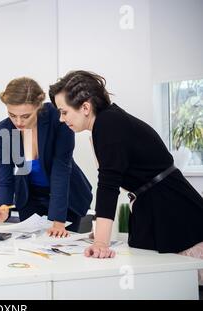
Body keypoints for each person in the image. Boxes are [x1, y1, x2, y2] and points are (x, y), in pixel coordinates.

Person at [49, 70, 203, 268]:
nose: (61, 119)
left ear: (85, 107)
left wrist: (101, 243)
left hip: (172, 208)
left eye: (64, 112)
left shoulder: (108, 124)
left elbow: (108, 185)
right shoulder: (106, 122)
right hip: (152, 205)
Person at [0, 77, 93, 237]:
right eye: (12, 115)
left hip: (65, 198)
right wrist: (3, 207)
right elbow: (6, 175)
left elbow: (61, 170)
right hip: (31, 198)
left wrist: (58, 221)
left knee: (62, 250)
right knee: (31, 252)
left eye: (25, 116)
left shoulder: (58, 118)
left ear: (38, 106)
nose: (18, 122)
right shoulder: (5, 129)